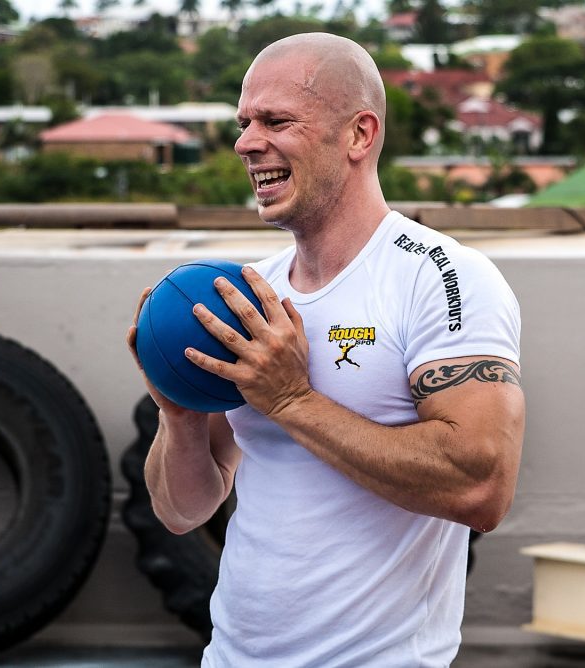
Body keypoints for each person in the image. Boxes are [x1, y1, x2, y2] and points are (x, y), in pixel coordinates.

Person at [126, 32, 524, 668]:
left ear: (359, 135)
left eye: (276, 121)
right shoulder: (251, 294)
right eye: (243, 123)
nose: (246, 143)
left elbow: (481, 487)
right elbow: (182, 511)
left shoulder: (444, 278)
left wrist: (289, 399)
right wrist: (178, 412)